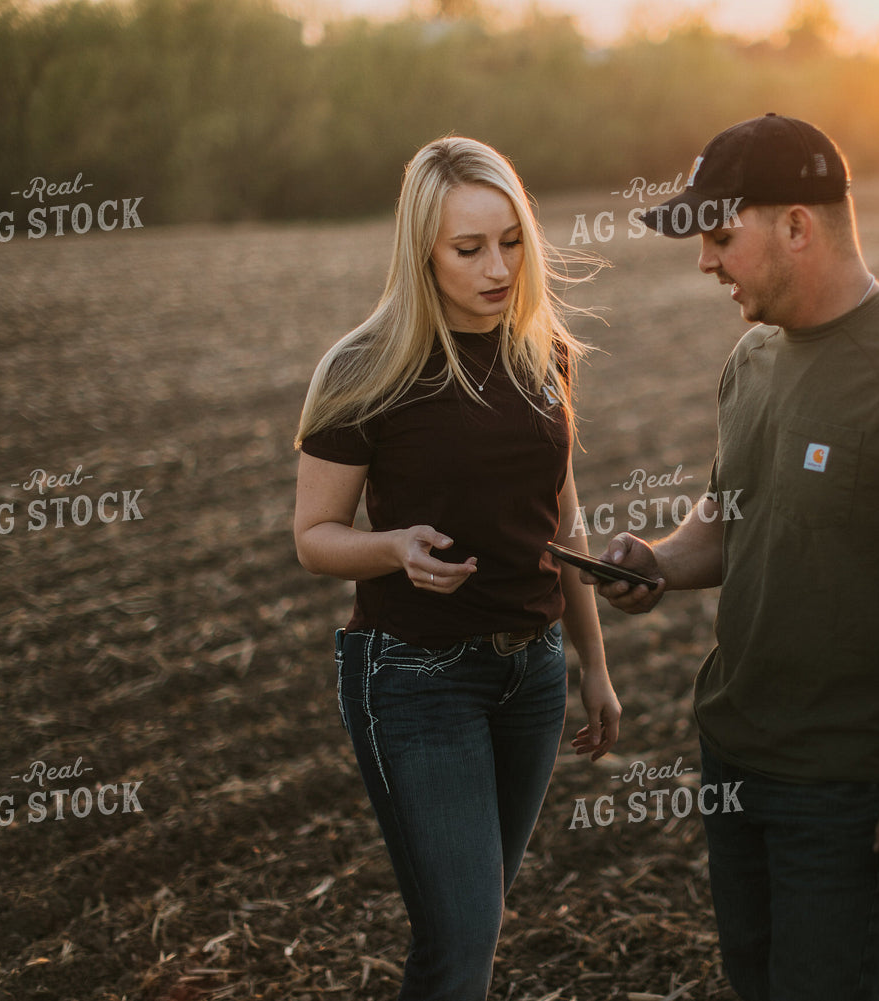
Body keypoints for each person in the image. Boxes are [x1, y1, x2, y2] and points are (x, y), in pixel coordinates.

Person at [587, 114, 879, 1001]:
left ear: (797, 225)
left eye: (720, 238)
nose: (704, 263)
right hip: (734, 756)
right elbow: (732, 515)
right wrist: (658, 563)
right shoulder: (753, 359)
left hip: (844, 784)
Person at [292, 136, 621, 1001]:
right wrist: (393, 547)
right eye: (468, 248)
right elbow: (314, 535)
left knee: (473, 925)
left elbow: (564, 517)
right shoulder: (364, 368)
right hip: (415, 678)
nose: (499, 268)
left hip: (532, 673)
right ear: (422, 253)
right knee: (463, 939)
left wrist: (593, 663)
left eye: (511, 242)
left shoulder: (542, 352)